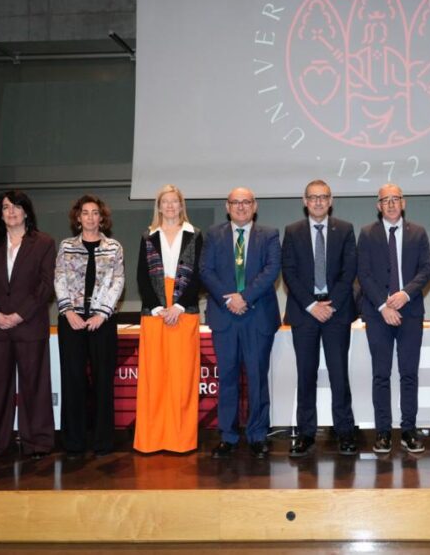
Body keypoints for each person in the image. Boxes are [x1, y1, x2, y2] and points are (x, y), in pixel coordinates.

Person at [199, 187, 281, 459]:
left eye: (246, 202)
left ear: (255, 206)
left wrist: (244, 297)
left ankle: (258, 435)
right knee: (228, 379)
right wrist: (229, 300)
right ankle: (228, 436)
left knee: (258, 379)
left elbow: (271, 270)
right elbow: (205, 271)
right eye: (236, 202)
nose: (241, 207)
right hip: (225, 318)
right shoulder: (213, 235)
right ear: (227, 206)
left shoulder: (269, 235)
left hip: (257, 316)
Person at [0, 190, 57, 460]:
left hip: (29, 325)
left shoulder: (44, 242)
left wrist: (20, 314)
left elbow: (46, 285)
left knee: (35, 385)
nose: (11, 212)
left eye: (16, 207)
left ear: (26, 212)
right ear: (0, 213)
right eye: (6, 207)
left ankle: (38, 442)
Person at [282, 179, 358, 457]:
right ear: (304, 201)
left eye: (323, 197)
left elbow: (350, 271)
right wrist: (312, 305)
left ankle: (345, 432)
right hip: (305, 314)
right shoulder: (292, 231)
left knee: (339, 375)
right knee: (306, 375)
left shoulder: (345, 230)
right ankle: (305, 434)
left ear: (330, 200)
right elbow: (288, 271)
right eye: (312, 197)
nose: (317, 202)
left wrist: (331, 304)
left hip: (336, 313)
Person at [357, 184, 430, 455]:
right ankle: (383, 432)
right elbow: (363, 273)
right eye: (384, 200)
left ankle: (409, 430)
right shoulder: (367, 234)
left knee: (409, 374)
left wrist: (405, 294)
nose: (390, 204)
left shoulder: (419, 232)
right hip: (378, 315)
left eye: (395, 199)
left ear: (404, 202)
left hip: (410, 312)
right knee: (381, 375)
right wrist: (382, 305)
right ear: (378, 205)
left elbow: (426, 269)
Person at [134, 184, 204, 454]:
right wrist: (158, 308)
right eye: (166, 202)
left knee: (182, 378)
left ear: (181, 205)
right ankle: (151, 440)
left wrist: (178, 306)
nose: (171, 206)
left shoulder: (194, 235)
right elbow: (142, 275)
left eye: (175, 202)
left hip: (184, 313)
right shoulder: (148, 236)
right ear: (159, 206)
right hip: (155, 314)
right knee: (155, 378)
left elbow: (198, 274)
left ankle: (180, 440)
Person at [54, 194, 125, 459]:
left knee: (103, 380)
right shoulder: (66, 246)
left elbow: (118, 281)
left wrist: (102, 314)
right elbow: (59, 278)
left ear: (102, 217)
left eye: (95, 213)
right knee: (73, 380)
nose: (91, 217)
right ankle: (73, 441)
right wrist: (68, 311)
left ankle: (103, 441)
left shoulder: (114, 247)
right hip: (71, 320)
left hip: (102, 322)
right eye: (85, 212)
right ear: (78, 217)